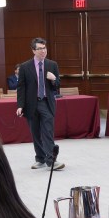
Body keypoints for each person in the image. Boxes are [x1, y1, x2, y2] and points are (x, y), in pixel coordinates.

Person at [15, 38, 63, 171]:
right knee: (35, 132)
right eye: (40, 49)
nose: (43, 51)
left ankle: (51, 160)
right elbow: (21, 88)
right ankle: (40, 158)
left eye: (44, 48)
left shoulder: (52, 64)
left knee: (47, 131)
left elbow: (57, 86)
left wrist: (54, 79)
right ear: (33, 50)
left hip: (46, 103)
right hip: (31, 104)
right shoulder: (25, 67)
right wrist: (20, 105)